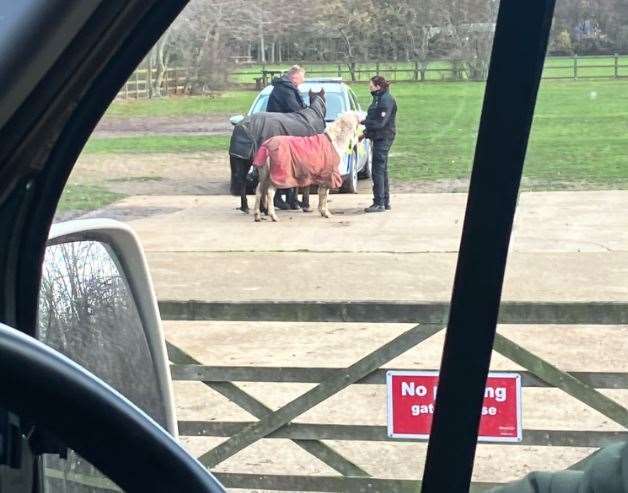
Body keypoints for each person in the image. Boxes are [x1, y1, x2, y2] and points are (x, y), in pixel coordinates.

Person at [266, 65, 307, 210]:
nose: (304, 80)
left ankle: (291, 198)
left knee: (290, 165)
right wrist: (307, 113)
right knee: (281, 164)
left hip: (285, 129)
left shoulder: (288, 88)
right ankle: (278, 198)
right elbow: (295, 109)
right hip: (281, 131)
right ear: (295, 76)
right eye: (303, 77)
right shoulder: (285, 89)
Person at [362, 75, 397, 213]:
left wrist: (363, 122)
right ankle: (384, 201)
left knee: (378, 170)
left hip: (383, 137)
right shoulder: (378, 98)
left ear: (377, 86)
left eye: (371, 85)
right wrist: (365, 134)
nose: (369, 87)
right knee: (381, 170)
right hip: (379, 137)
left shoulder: (386, 100)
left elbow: (380, 123)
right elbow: (375, 120)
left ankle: (379, 203)